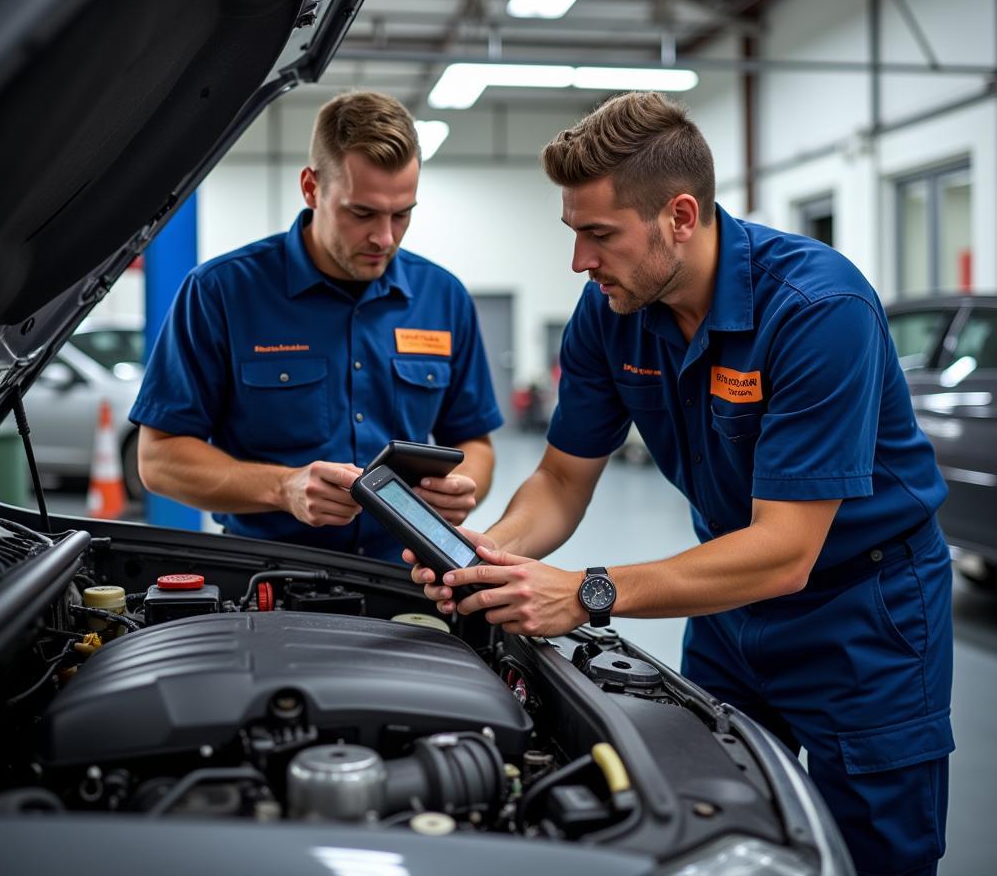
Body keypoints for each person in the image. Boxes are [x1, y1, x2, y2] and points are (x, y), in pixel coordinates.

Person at [409, 92, 953, 876]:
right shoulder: (609, 313)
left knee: (872, 853)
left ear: (681, 216)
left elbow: (787, 551)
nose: (580, 262)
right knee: (711, 827)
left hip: (863, 618)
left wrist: (587, 591)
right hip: (726, 604)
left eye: (600, 236)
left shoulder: (816, 310)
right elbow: (563, 478)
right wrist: (490, 557)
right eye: (574, 234)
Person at [131, 91, 503, 561]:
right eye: (361, 213)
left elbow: (476, 442)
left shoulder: (443, 296)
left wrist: (465, 486)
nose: (384, 237)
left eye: (402, 214)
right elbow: (159, 459)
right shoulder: (220, 292)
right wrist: (282, 487)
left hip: (406, 574)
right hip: (269, 573)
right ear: (311, 188)